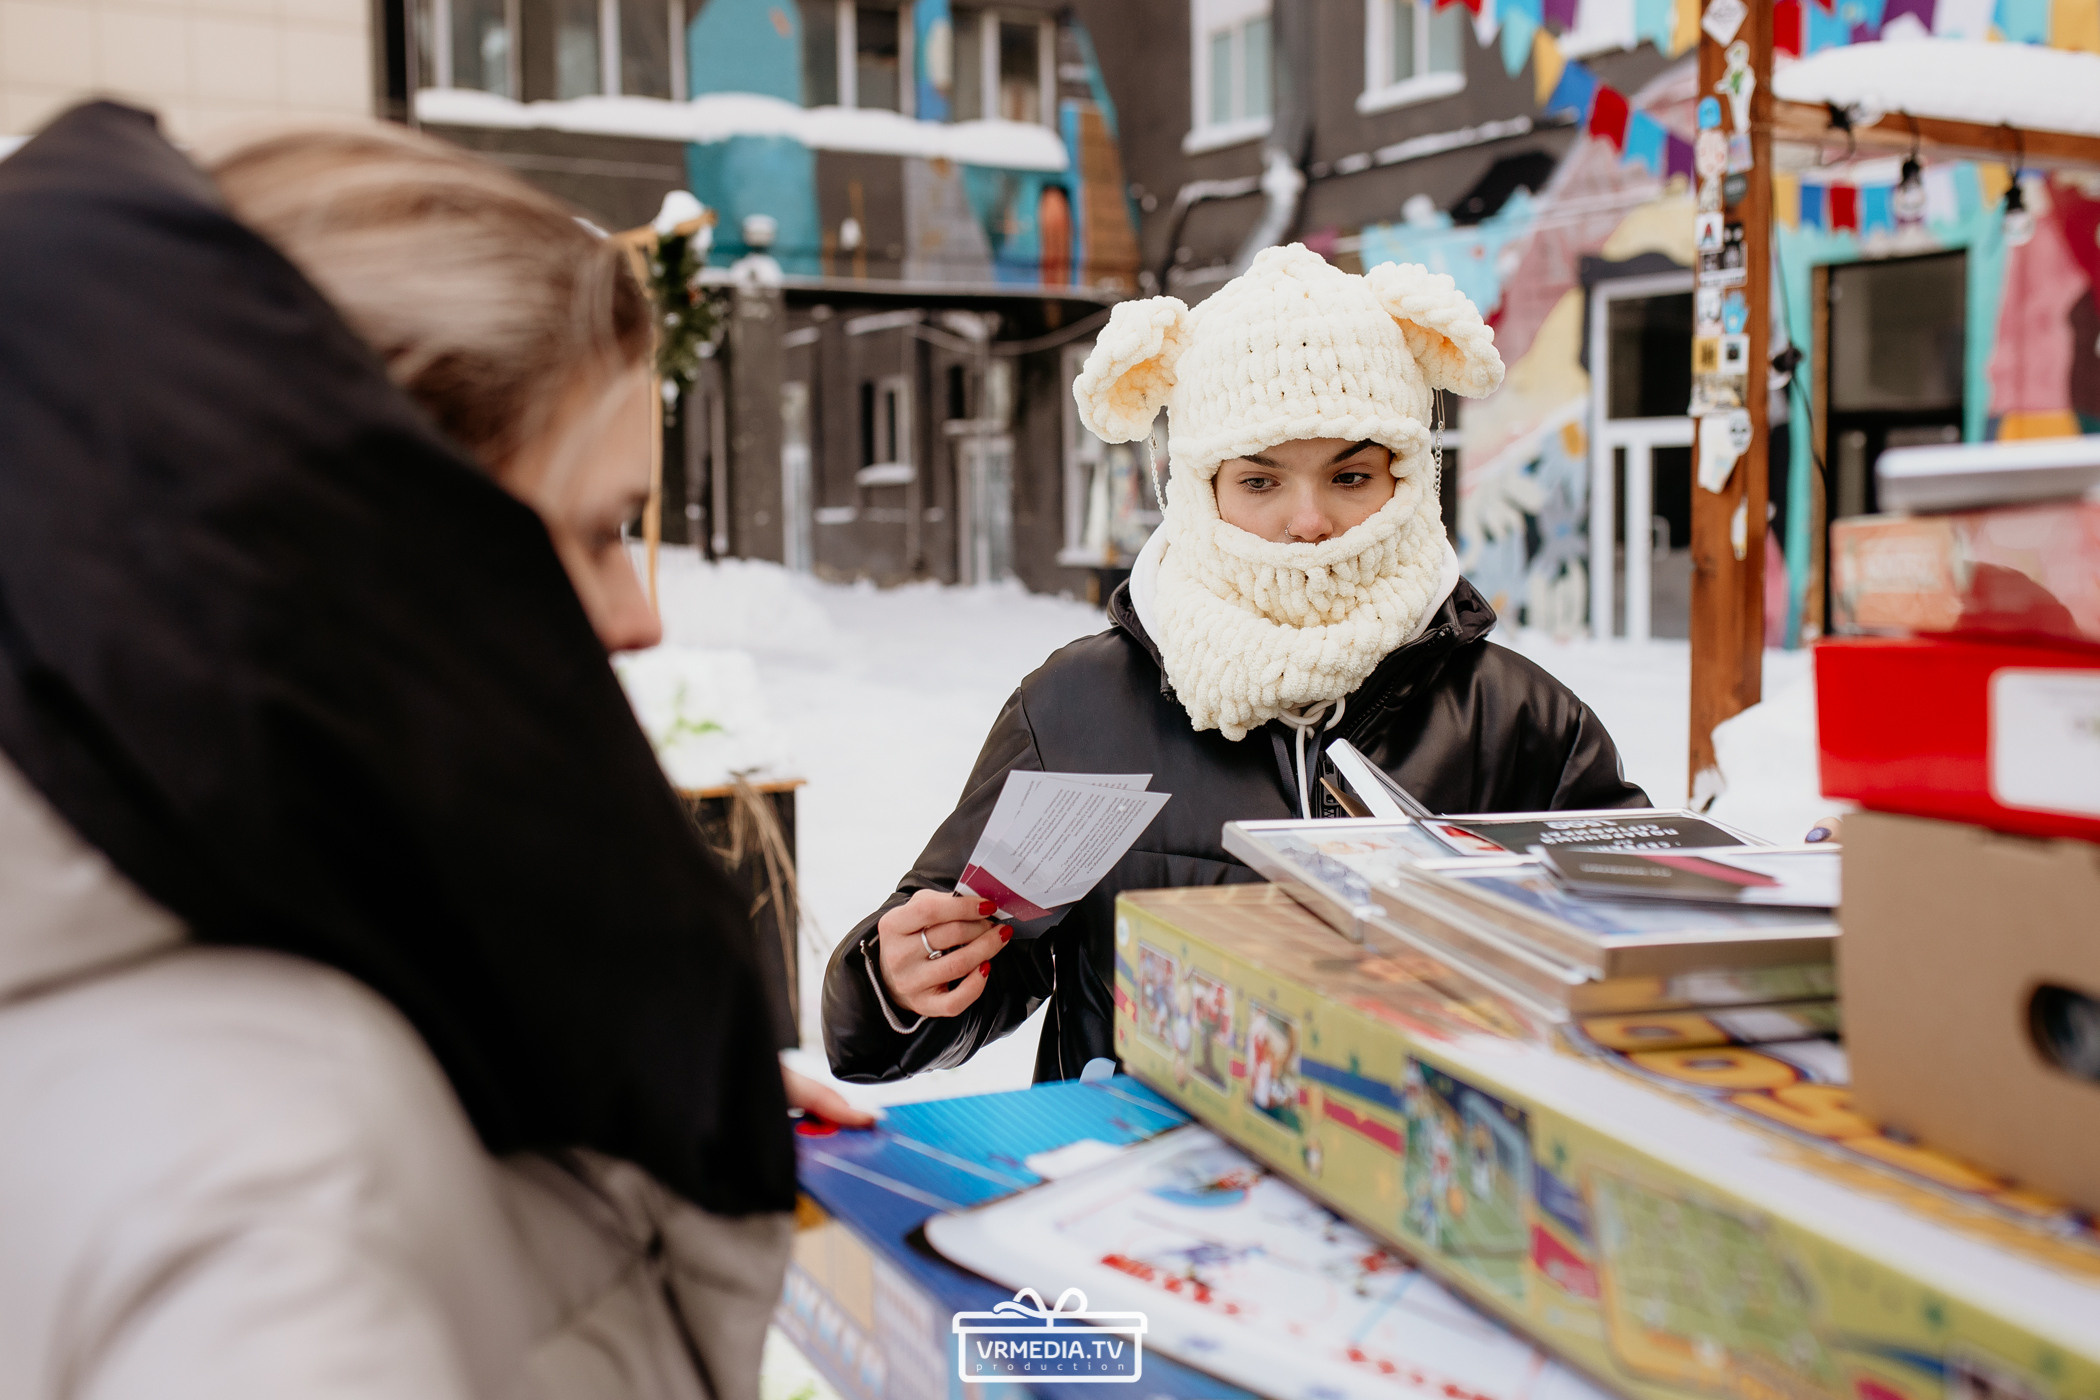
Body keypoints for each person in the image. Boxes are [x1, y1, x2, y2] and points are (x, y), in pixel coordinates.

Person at [0, 103, 807, 1400]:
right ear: (389, 545)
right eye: (598, 533)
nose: (641, 616)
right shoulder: (285, 1197)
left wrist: (596, 1111)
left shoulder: (194, 935)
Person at [823, 244, 1647, 1085]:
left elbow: (1645, 968)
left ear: (1409, 476)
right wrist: (898, 983)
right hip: (1144, 1159)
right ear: (1198, 489)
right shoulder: (1077, 710)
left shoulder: (1519, 720)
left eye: (1350, 475)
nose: (1309, 521)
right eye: (1260, 482)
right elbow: (938, 989)